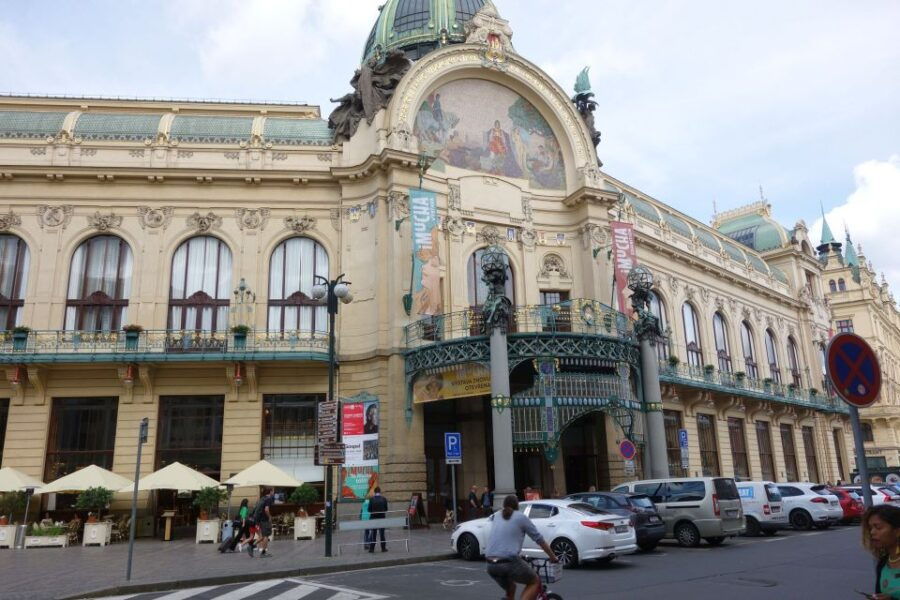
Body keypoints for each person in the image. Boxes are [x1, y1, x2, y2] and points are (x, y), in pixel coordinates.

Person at [485, 495, 558, 600]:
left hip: (490, 563)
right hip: (508, 561)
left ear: (504, 505)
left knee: (511, 587)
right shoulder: (521, 517)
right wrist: (553, 557)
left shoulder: (497, 516)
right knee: (534, 581)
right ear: (517, 505)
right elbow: (539, 540)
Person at [862, 504, 900, 599]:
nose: (872, 532)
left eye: (878, 527)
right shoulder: (883, 564)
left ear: (897, 531)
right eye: (871, 528)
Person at [248, 487, 275, 558]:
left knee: (263, 536)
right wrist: (269, 517)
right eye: (273, 491)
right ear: (270, 491)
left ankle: (252, 546)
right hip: (265, 520)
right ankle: (263, 553)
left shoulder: (262, 498)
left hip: (260, 520)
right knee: (266, 536)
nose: (273, 492)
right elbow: (266, 510)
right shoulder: (268, 499)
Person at [368, 487, 389, 553]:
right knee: (382, 534)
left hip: (373, 518)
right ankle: (383, 548)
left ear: (374, 492)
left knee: (373, 534)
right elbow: (386, 509)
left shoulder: (371, 499)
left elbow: (369, 509)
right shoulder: (384, 499)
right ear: (380, 492)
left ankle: (372, 549)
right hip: (382, 518)